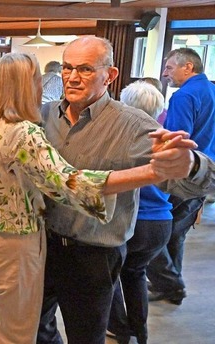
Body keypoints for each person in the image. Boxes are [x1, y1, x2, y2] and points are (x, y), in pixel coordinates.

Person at [0, 52, 195, 344]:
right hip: (11, 242)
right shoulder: (25, 131)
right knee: (17, 333)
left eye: (83, 68)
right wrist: (150, 173)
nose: (62, 79)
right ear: (24, 85)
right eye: (38, 79)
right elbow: (69, 183)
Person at [36, 36, 212, 344]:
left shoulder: (132, 125)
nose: (72, 77)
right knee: (36, 328)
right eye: (67, 67)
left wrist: (190, 164)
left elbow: (195, 179)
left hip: (93, 256)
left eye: (86, 69)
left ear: (110, 75)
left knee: (86, 337)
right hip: (40, 246)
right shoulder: (45, 115)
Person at [147, 47, 215, 306]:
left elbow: (176, 138)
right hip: (205, 172)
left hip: (184, 174)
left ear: (188, 67)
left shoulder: (184, 96)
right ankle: (171, 284)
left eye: (169, 68)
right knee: (177, 232)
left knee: (158, 230)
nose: (165, 74)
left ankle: (170, 284)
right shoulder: (211, 89)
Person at [107, 80, 171, 344]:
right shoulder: (166, 138)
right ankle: (139, 332)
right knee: (136, 275)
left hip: (134, 222)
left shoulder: (128, 140)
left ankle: (122, 330)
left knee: (108, 278)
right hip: (161, 223)